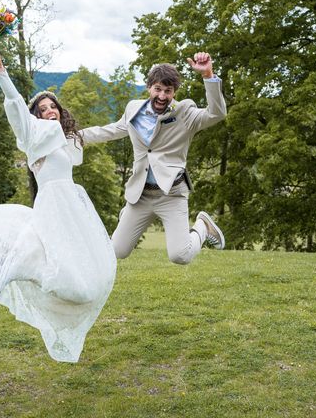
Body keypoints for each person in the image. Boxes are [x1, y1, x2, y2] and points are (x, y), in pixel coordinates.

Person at [0, 38, 116, 363]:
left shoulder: (67, 139)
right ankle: (17, 267)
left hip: (74, 207)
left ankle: (23, 266)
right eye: (42, 109)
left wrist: (137, 123)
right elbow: (13, 98)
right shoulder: (32, 135)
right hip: (53, 206)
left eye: (52, 106)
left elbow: (106, 131)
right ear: (35, 116)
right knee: (67, 276)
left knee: (91, 277)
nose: (49, 111)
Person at [80, 52, 227, 265]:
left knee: (180, 256)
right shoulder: (133, 109)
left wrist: (208, 75)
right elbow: (112, 130)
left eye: (168, 91)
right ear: (149, 87)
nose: (162, 96)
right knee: (117, 251)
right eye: (157, 89)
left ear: (174, 92)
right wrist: (77, 136)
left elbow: (217, 113)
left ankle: (202, 227)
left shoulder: (185, 112)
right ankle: (128, 214)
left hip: (172, 194)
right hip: (141, 196)